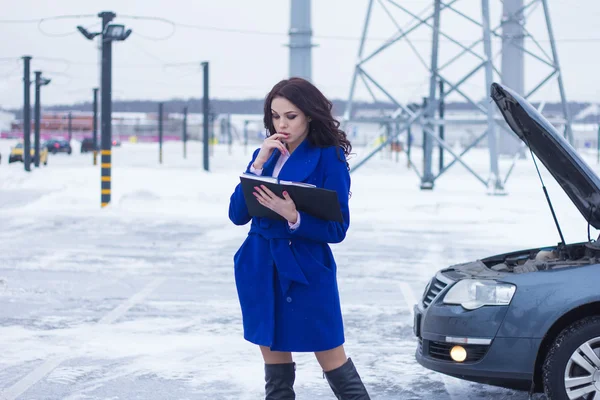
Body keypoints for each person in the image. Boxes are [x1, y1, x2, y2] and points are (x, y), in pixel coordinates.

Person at [228, 77, 371, 400]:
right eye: (275, 116)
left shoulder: (328, 157)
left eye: (290, 116)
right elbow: (237, 215)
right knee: (276, 372)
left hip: (305, 271)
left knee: (333, 359)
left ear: (308, 114)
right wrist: (258, 163)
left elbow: (337, 229)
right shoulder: (262, 155)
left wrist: (294, 216)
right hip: (259, 267)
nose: (282, 124)